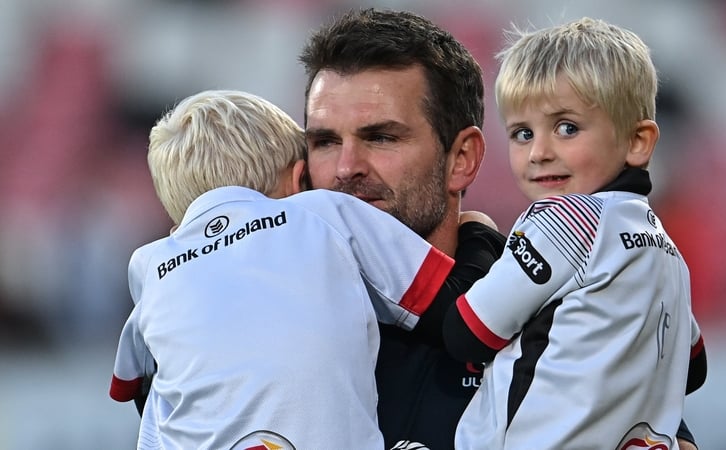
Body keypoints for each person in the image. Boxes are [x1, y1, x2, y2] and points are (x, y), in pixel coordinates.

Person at [299, 8, 702, 450]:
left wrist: (481, 251)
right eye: (325, 142)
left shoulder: (568, 300)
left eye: (381, 137)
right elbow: (692, 365)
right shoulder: (270, 324)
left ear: (462, 159)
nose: (346, 168)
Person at [107, 89, 495, 449]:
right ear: (298, 181)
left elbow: (130, 386)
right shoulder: (322, 211)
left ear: (178, 223)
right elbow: (463, 315)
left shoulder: (150, 262)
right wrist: (478, 230)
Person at [438, 17, 708, 449]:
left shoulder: (566, 218)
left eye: (567, 128)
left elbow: (467, 333)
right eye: (522, 133)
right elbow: (692, 368)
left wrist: (476, 237)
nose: (539, 152)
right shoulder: (665, 248)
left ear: (637, 141)